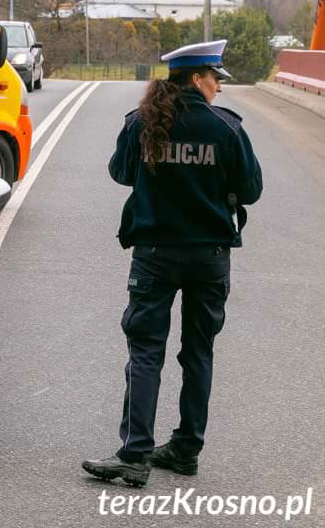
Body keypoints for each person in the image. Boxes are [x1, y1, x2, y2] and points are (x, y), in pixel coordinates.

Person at [82, 40, 263, 487]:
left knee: (145, 351)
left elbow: (121, 173)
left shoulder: (141, 122)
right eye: (215, 79)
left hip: (155, 256)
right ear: (198, 78)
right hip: (210, 257)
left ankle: (135, 454)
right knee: (198, 352)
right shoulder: (228, 128)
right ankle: (185, 450)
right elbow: (253, 190)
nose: (219, 88)